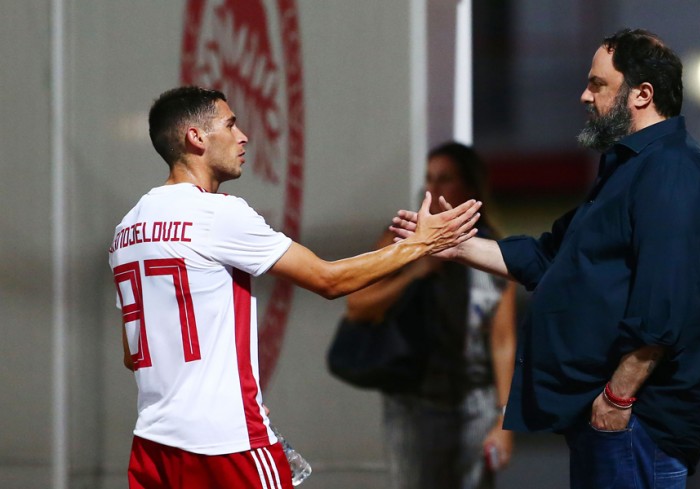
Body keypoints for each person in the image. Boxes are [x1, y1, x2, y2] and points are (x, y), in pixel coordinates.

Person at [391, 29, 700, 489]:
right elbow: (547, 257)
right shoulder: (630, 169)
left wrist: (617, 398)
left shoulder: (672, 169)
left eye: (597, 84)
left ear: (642, 94)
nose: (584, 95)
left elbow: (662, 307)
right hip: (612, 418)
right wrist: (451, 244)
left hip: (638, 420)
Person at [108, 86, 482, 489]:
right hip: (226, 443)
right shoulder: (217, 213)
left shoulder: (127, 229)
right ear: (196, 137)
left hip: (153, 445)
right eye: (230, 125)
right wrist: (421, 244)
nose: (243, 137)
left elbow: (134, 353)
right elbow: (329, 279)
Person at [346, 142, 516, 489]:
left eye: (445, 178)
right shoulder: (403, 237)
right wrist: (415, 272)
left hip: (474, 401)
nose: (433, 187)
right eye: (429, 178)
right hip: (415, 400)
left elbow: (503, 340)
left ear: (469, 186)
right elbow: (358, 305)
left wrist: (504, 417)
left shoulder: (492, 248)